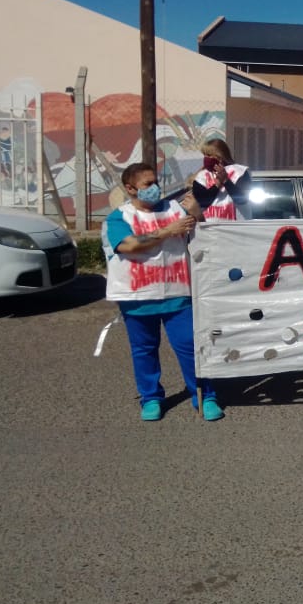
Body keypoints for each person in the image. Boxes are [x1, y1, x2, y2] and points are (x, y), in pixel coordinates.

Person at [102, 162, 223, 422]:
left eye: (156, 182)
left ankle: (204, 395)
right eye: (148, 184)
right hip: (137, 298)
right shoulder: (119, 217)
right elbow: (127, 245)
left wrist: (198, 213)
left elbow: (205, 239)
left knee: (190, 347)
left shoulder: (176, 209)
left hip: (178, 294)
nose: (155, 188)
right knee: (144, 350)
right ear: (130, 188)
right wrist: (168, 231)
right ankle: (151, 398)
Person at [191, 138, 252, 221]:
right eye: (204, 155)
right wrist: (217, 185)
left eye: (209, 155)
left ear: (220, 156)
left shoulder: (240, 172)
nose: (206, 158)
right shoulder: (201, 176)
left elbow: (242, 199)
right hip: (209, 229)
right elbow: (201, 202)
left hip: (236, 229)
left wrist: (226, 181)